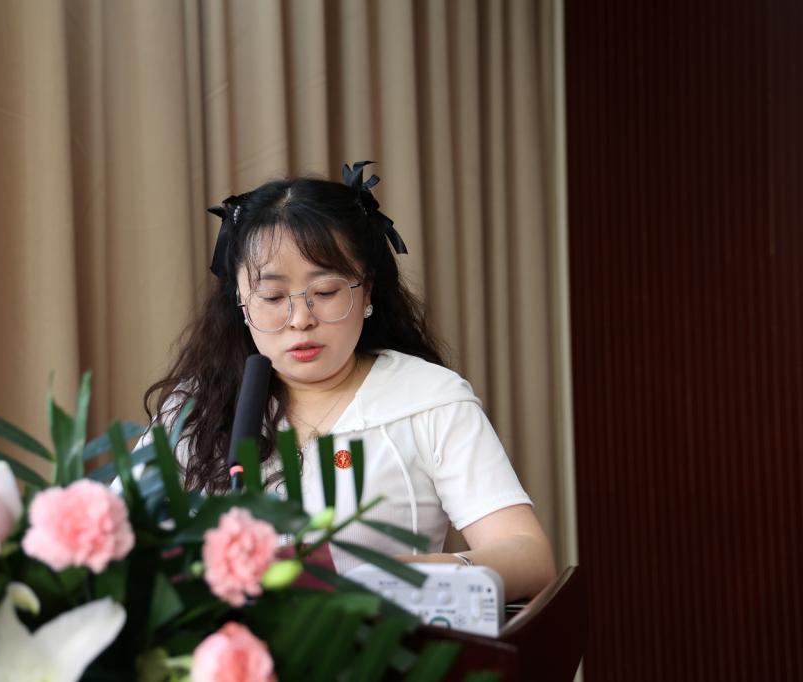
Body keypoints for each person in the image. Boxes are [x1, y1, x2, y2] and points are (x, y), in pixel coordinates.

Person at [143, 161, 556, 601]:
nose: (300, 319)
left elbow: (531, 557)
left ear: (367, 290)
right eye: (272, 297)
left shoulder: (430, 398)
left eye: (325, 292)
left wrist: (413, 575)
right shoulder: (195, 406)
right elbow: (123, 547)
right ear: (241, 303)